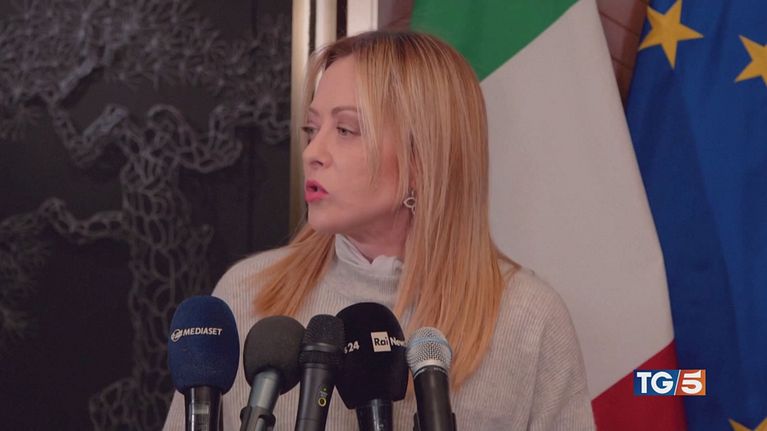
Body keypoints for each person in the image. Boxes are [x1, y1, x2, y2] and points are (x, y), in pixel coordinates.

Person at [163, 30, 595, 430]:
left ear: (422, 160)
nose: (312, 152)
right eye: (312, 129)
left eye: (345, 130)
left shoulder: (529, 319)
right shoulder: (247, 294)